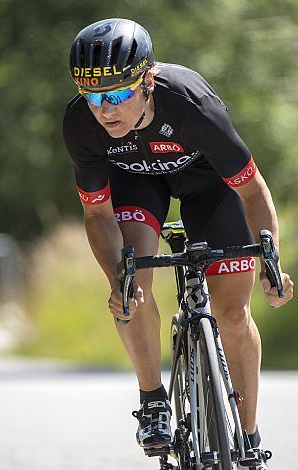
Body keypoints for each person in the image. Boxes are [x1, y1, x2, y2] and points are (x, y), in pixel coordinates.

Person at [63, 18, 294, 469]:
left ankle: (247, 437)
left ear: (147, 81)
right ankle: (152, 400)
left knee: (231, 311)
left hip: (208, 185)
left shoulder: (192, 106)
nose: (104, 109)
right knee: (134, 282)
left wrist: (270, 260)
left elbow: (252, 191)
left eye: (115, 95)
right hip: (135, 184)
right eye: (92, 96)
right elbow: (97, 213)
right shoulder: (80, 124)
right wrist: (117, 279)